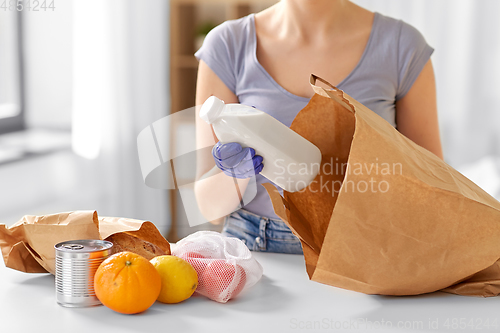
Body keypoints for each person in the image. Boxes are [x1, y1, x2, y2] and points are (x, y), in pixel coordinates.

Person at [194, 0, 443, 254]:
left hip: (370, 256)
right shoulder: (227, 46)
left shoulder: (402, 47)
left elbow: (434, 192)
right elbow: (210, 210)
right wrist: (234, 174)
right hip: (254, 254)